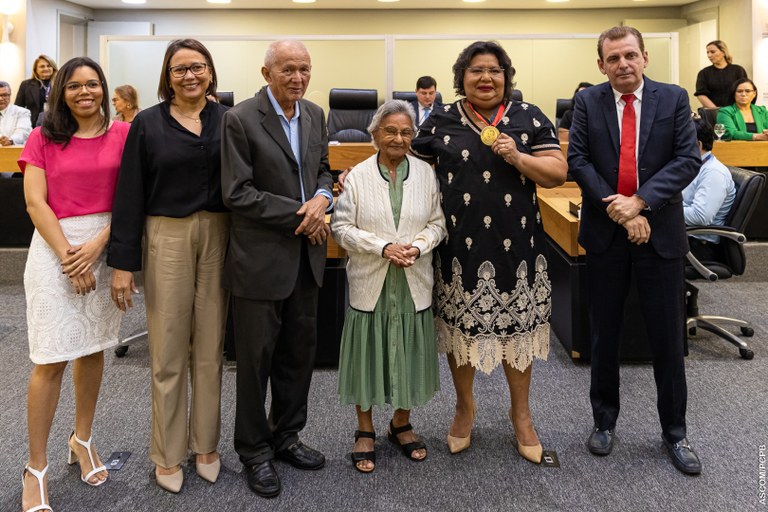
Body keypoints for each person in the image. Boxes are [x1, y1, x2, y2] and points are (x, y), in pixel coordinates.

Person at [409, 40, 567, 462]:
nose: (485, 78)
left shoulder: (528, 116)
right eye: (476, 70)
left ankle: (522, 415)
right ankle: (465, 408)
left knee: (518, 333)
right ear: (462, 77)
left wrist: (517, 156)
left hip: (518, 248)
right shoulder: (440, 119)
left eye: (494, 70)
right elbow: (407, 169)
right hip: (458, 249)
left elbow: (556, 173)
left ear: (506, 77)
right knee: (462, 334)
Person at [567, 25, 703, 475]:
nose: (623, 64)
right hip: (608, 235)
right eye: (613, 58)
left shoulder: (674, 98)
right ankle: (604, 422)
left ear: (644, 57)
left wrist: (642, 202)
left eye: (630, 55)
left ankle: (675, 433)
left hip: (659, 235)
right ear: (601, 64)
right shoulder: (588, 101)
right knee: (604, 333)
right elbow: (579, 160)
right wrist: (623, 212)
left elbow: (686, 159)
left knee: (668, 337)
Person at [108, 39, 230, 493]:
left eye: (197, 67)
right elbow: (129, 194)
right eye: (180, 69)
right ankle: (167, 451)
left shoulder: (227, 120)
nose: (190, 75)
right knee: (168, 347)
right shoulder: (147, 123)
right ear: (168, 76)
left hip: (220, 235)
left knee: (211, 345)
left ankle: (206, 445)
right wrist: (123, 263)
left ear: (211, 73)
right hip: (167, 236)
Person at [220, 40, 333, 499]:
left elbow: (324, 170)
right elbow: (237, 192)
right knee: (255, 362)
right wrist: (301, 215)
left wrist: (323, 199)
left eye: (304, 69)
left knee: (297, 356)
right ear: (266, 72)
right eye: (288, 69)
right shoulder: (240, 118)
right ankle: (254, 451)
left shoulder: (315, 115)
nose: (298, 78)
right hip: (261, 259)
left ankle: (286, 436)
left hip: (307, 259)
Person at [18, 56, 129, 512]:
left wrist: (98, 248)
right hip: (54, 249)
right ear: (60, 92)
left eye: (93, 84)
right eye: (74, 86)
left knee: (92, 348)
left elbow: (130, 199)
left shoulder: (124, 133)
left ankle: (82, 439)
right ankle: (36, 467)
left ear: (104, 89)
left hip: (104, 246)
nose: (85, 92)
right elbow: (34, 202)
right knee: (49, 359)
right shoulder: (44, 137)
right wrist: (70, 254)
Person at [331, 100, 446, 473]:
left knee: (409, 352)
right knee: (367, 355)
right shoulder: (358, 176)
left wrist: (417, 246)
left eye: (406, 132)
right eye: (391, 131)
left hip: (414, 278)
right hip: (371, 280)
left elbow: (438, 224)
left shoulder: (426, 174)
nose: (399, 138)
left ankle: (401, 422)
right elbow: (341, 228)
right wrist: (383, 247)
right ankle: (364, 430)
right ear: (375, 133)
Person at [684, 113, 736, 256]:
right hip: (683, 236)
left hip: (698, 245)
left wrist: (666, 210)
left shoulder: (713, 172)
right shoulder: (693, 166)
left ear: (698, 145)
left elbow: (700, 216)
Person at [694, 40, 747, 109]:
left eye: (712, 52)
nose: (709, 55)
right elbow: (701, 94)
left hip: (736, 112)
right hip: (713, 114)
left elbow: (745, 91)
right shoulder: (704, 73)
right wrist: (717, 111)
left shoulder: (738, 70)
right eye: (708, 53)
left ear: (723, 52)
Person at [15, 55, 58, 128]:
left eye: (49, 66)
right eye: (42, 66)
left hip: (56, 124)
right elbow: (18, 108)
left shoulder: (60, 84)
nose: (46, 68)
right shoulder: (26, 85)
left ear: (53, 68)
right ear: (35, 70)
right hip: (32, 125)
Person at [0, 81, 32, 146]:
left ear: (10, 95)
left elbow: (23, 132)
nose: (0, 98)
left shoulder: (22, 112)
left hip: (14, 152)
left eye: (5, 95)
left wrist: (10, 140)